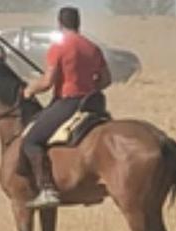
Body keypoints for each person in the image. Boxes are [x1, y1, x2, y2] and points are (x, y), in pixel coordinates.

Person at [20, 7, 111, 210]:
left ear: (59, 24)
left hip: (68, 104)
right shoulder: (93, 47)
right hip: (93, 103)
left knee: (31, 141)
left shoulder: (58, 47)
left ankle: (47, 190)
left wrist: (29, 90)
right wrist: (90, 86)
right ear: (78, 23)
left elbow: (47, 83)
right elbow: (106, 79)